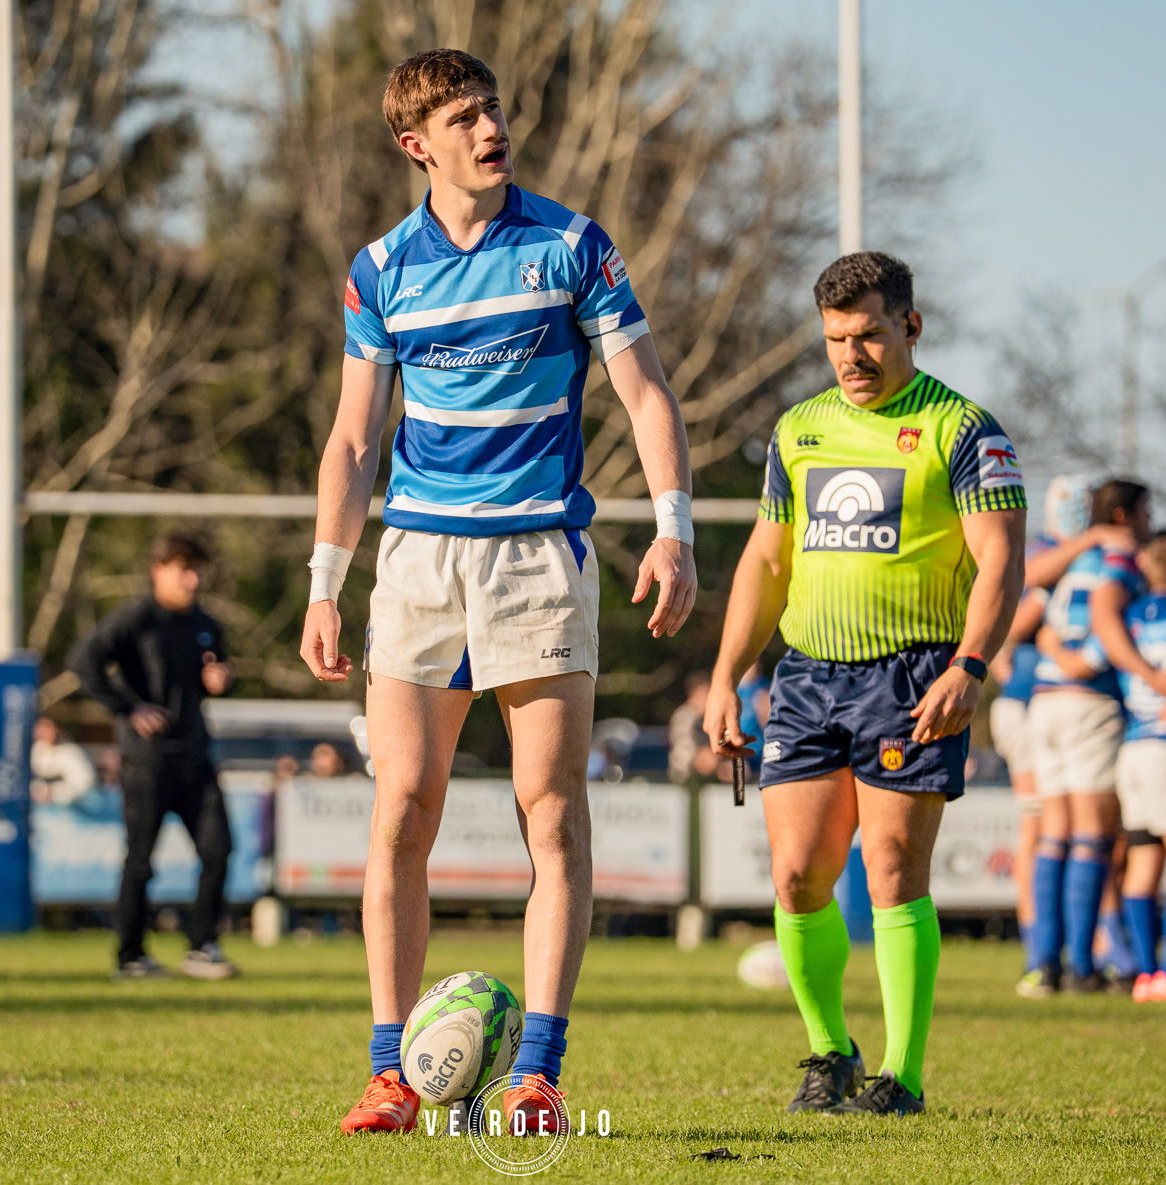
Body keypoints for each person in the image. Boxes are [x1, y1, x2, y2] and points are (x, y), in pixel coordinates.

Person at [301, 49, 695, 1136]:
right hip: (419, 565)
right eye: (464, 116)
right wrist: (326, 584)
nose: (491, 129)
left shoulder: (572, 245)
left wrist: (673, 531)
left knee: (552, 811)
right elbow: (350, 440)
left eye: (494, 110)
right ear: (413, 142)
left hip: (537, 563)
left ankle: (538, 1076)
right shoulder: (380, 269)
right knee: (401, 810)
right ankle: (389, 1072)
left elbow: (645, 393)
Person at [704, 251, 1026, 1116]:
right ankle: (827, 1053)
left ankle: (903, 1076)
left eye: (871, 335)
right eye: (837, 340)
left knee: (890, 867)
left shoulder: (966, 430)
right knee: (798, 875)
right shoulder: (798, 430)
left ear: (910, 328)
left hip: (917, 674)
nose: (853, 355)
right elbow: (767, 561)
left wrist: (970, 664)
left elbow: (1001, 561)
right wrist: (724, 677)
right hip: (807, 676)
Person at [1042, 533, 1166, 1003]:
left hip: (1134, 752)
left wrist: (1047, 638)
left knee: (1144, 863)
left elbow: (1078, 661)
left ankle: (1147, 975)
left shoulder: (1127, 620)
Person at [72, 532, 237, 981]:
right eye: (183, 568)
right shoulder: (136, 618)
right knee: (141, 859)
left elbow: (217, 672)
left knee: (219, 848)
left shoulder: (205, 622)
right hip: (146, 761)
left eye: (197, 569)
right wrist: (130, 708)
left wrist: (221, 677)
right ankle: (130, 955)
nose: (192, 578)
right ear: (158, 570)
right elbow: (84, 662)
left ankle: (202, 946)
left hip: (195, 755)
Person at [1024, 480, 1166, 994]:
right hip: (1088, 701)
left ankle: (1045, 963)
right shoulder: (1123, 558)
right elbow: (1108, 621)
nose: (1152, 519)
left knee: (1055, 833)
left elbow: (1033, 601)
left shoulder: (1071, 558)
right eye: (1147, 510)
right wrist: (1088, 663)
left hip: (1046, 700)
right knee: (1092, 836)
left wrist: (1056, 652)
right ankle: (1082, 965)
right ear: (1126, 514)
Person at [993, 474, 1090, 996]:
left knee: (1075, 831)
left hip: (1051, 708)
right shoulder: (1053, 553)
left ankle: (1075, 950)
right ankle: (1039, 953)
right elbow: (1016, 613)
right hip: (1030, 707)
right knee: (1042, 826)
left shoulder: (1084, 558)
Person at [668, 671, 722, 785]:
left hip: (712, 769)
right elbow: (685, 746)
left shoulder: (712, 716)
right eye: (706, 693)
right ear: (693, 694)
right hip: (685, 772)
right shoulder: (683, 717)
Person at [31, 717, 97, 805]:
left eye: (47, 729)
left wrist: (54, 793)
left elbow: (85, 782)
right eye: (39, 729)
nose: (41, 733)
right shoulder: (32, 752)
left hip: (68, 808)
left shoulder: (71, 753)